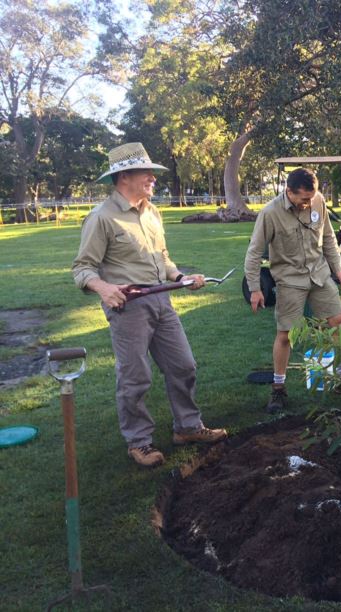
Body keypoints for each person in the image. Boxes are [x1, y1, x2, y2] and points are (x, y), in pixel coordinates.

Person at [72, 143, 227, 468]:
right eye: (148, 173)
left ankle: (187, 428)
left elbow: (163, 259)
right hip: (129, 307)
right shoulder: (101, 218)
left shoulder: (152, 213)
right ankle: (139, 442)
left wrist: (181, 276)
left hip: (162, 300)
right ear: (124, 176)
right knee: (135, 377)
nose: (154, 179)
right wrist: (103, 287)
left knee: (184, 365)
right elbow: (82, 269)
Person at [244, 168, 341, 412]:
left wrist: (338, 268)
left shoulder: (318, 201)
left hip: (320, 274)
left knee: (340, 324)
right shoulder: (270, 214)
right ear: (289, 192)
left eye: (312, 197)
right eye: (304, 198)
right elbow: (253, 253)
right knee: (286, 334)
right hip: (290, 279)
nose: (309, 203)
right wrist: (255, 288)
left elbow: (328, 238)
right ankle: (278, 389)